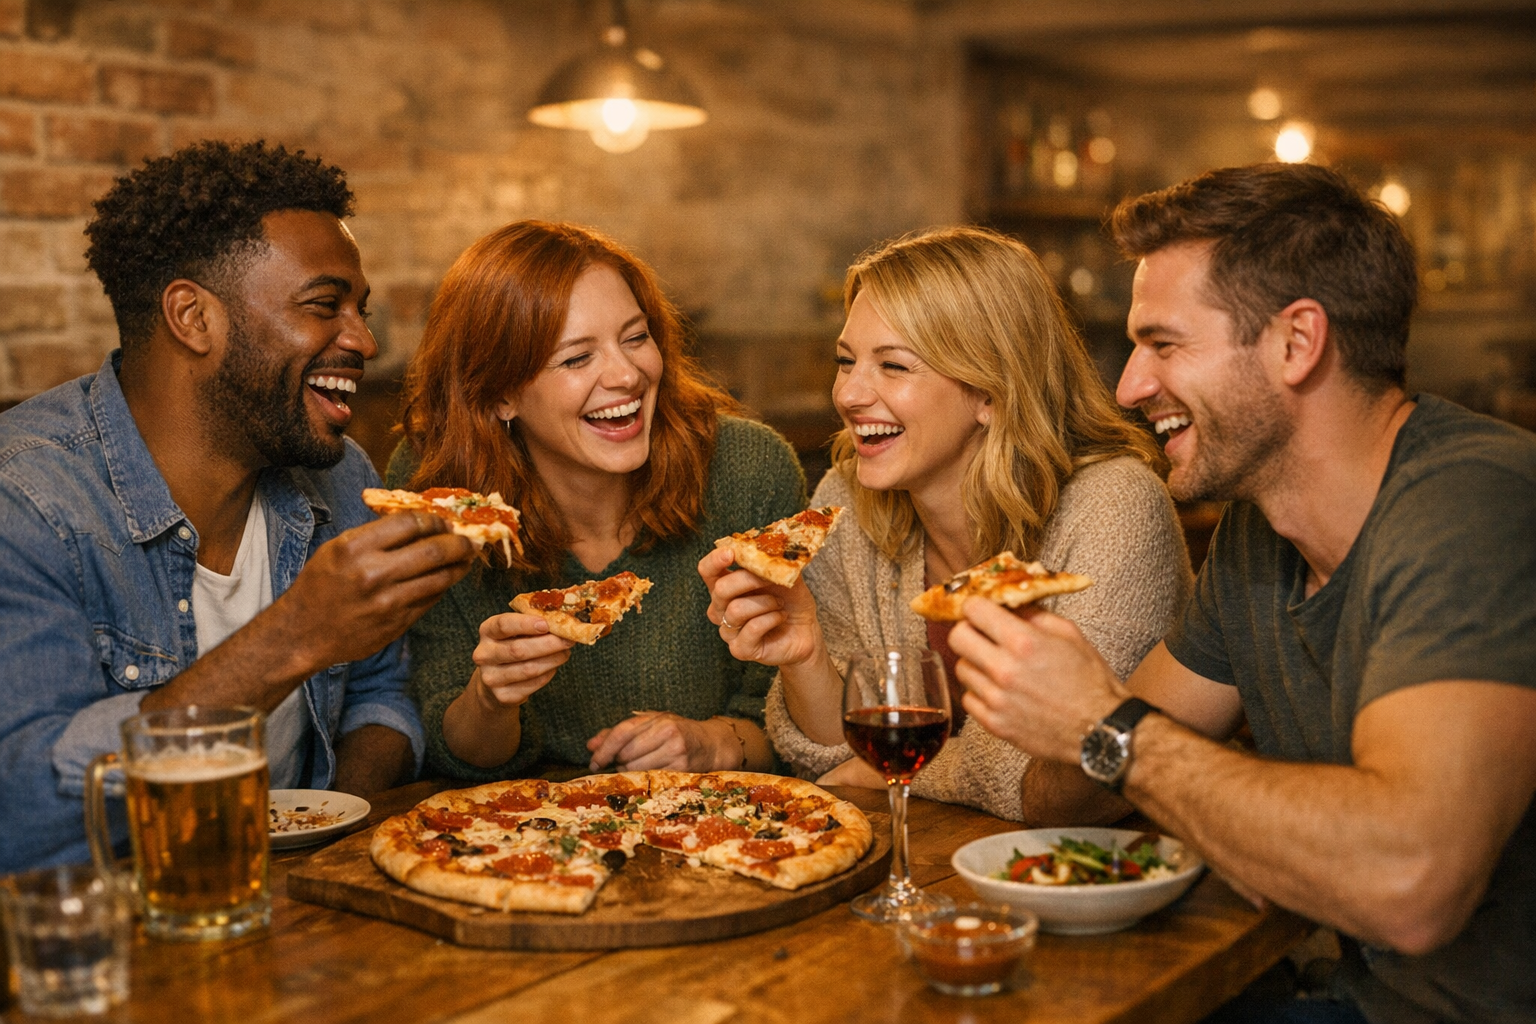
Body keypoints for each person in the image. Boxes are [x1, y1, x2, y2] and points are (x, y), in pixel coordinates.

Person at [949, 164, 1536, 1023]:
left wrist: (1100, 725)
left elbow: (1410, 884)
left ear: (1297, 344)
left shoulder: (1475, 502)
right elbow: (1083, 788)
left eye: (1165, 344)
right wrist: (1037, 689)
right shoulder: (1258, 537)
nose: (1129, 388)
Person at [0, 141, 477, 874]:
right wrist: (295, 637)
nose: (365, 340)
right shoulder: (27, 502)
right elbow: (23, 819)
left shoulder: (344, 476)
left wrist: (337, 838)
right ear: (193, 317)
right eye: (325, 306)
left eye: (361, 309)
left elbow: (382, 694)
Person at [699, 226, 1192, 820]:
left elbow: (1066, 778)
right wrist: (803, 656)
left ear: (989, 390)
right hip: (931, 868)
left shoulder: (1114, 507)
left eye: (894, 366)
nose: (850, 394)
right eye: (846, 361)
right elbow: (829, 758)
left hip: (1093, 878)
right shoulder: (847, 503)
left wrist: (919, 770)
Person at [389, 221, 804, 781]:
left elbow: (797, 721)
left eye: (635, 338)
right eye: (577, 358)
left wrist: (712, 742)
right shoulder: (441, 496)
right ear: (500, 393)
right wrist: (490, 698)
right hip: (517, 838)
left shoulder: (747, 468)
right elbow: (454, 753)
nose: (628, 375)